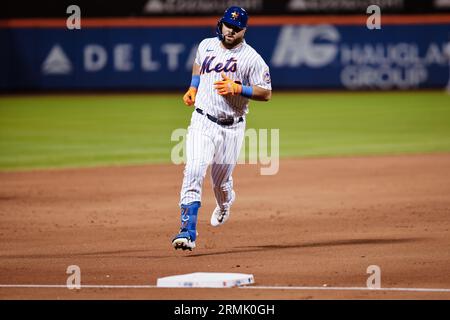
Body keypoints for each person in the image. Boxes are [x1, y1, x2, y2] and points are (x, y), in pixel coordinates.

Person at [172, 6, 272, 251]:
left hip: (232, 128)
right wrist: (193, 88)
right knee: (194, 170)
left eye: (237, 28)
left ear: (244, 30)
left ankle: (225, 203)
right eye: (228, 25)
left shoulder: (252, 58)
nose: (231, 30)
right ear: (222, 23)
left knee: (221, 184)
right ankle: (187, 232)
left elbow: (266, 93)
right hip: (202, 121)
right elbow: (198, 65)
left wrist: (240, 89)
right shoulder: (206, 44)